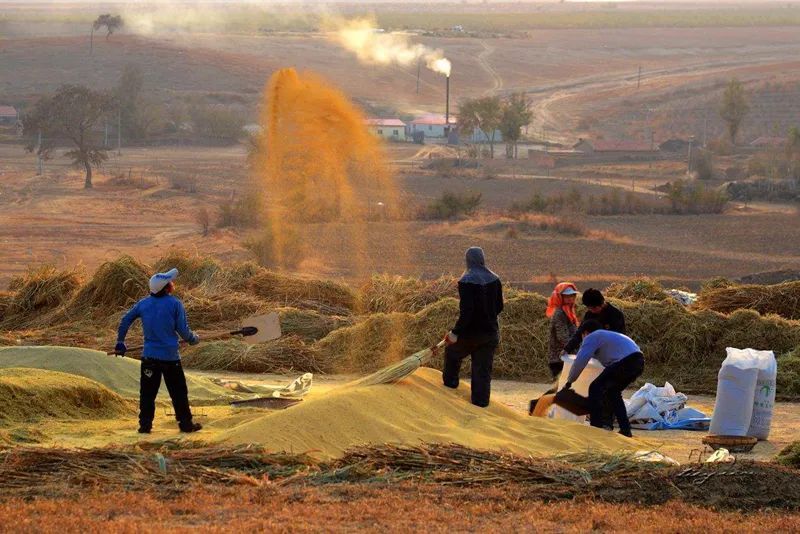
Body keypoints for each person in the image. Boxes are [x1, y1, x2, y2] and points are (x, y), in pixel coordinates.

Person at [115, 268, 202, 434]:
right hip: (170, 358)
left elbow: (125, 320)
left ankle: (145, 426)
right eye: (170, 282)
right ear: (166, 287)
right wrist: (193, 339)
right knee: (178, 393)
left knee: (147, 394)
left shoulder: (143, 304)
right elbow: (183, 331)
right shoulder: (175, 304)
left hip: (149, 358)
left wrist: (120, 342)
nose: (172, 284)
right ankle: (185, 424)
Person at [441, 247, 504, 408]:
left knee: (452, 353)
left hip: (470, 334)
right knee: (482, 371)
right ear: (483, 259)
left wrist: (455, 332)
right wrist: (488, 316)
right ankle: (480, 404)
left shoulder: (466, 281)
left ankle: (449, 388)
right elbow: (499, 307)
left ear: (468, 260)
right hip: (490, 334)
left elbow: (467, 312)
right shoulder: (495, 279)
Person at [561, 320, 644, 437]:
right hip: (638, 362)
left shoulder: (593, 336)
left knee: (595, 387)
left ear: (585, 333)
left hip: (626, 362)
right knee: (613, 392)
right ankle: (625, 429)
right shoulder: (606, 337)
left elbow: (580, 361)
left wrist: (569, 382)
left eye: (582, 336)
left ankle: (596, 428)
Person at [563, 288, 625, 355]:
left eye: (594, 308)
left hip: (613, 352)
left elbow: (618, 337)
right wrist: (567, 349)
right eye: (589, 308)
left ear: (602, 303)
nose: (591, 310)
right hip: (594, 352)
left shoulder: (615, 315)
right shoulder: (589, 314)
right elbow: (580, 332)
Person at [545, 282, 580, 379]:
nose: (570, 298)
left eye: (572, 295)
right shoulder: (560, 313)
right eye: (566, 296)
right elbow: (562, 336)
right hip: (560, 358)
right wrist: (575, 349)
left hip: (567, 356)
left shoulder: (569, 311)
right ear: (559, 297)